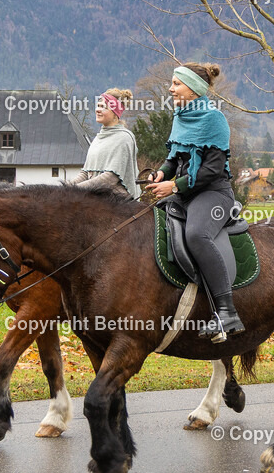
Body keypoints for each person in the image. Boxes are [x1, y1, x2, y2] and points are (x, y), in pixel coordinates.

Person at [145, 62, 244, 342]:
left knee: (197, 235)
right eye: (172, 83)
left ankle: (227, 312)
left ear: (194, 88)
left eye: (176, 83)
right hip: (184, 192)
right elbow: (174, 157)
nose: (170, 87)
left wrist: (174, 185)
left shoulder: (215, 120)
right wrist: (161, 173)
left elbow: (212, 169)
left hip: (213, 193)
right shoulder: (180, 116)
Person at [69, 88, 140, 198]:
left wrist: (75, 189)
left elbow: (110, 178)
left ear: (115, 113)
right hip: (95, 196)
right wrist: (64, 187)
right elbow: (86, 173)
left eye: (103, 107)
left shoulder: (124, 138)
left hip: (116, 202)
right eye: (98, 105)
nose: (98, 110)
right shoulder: (98, 138)